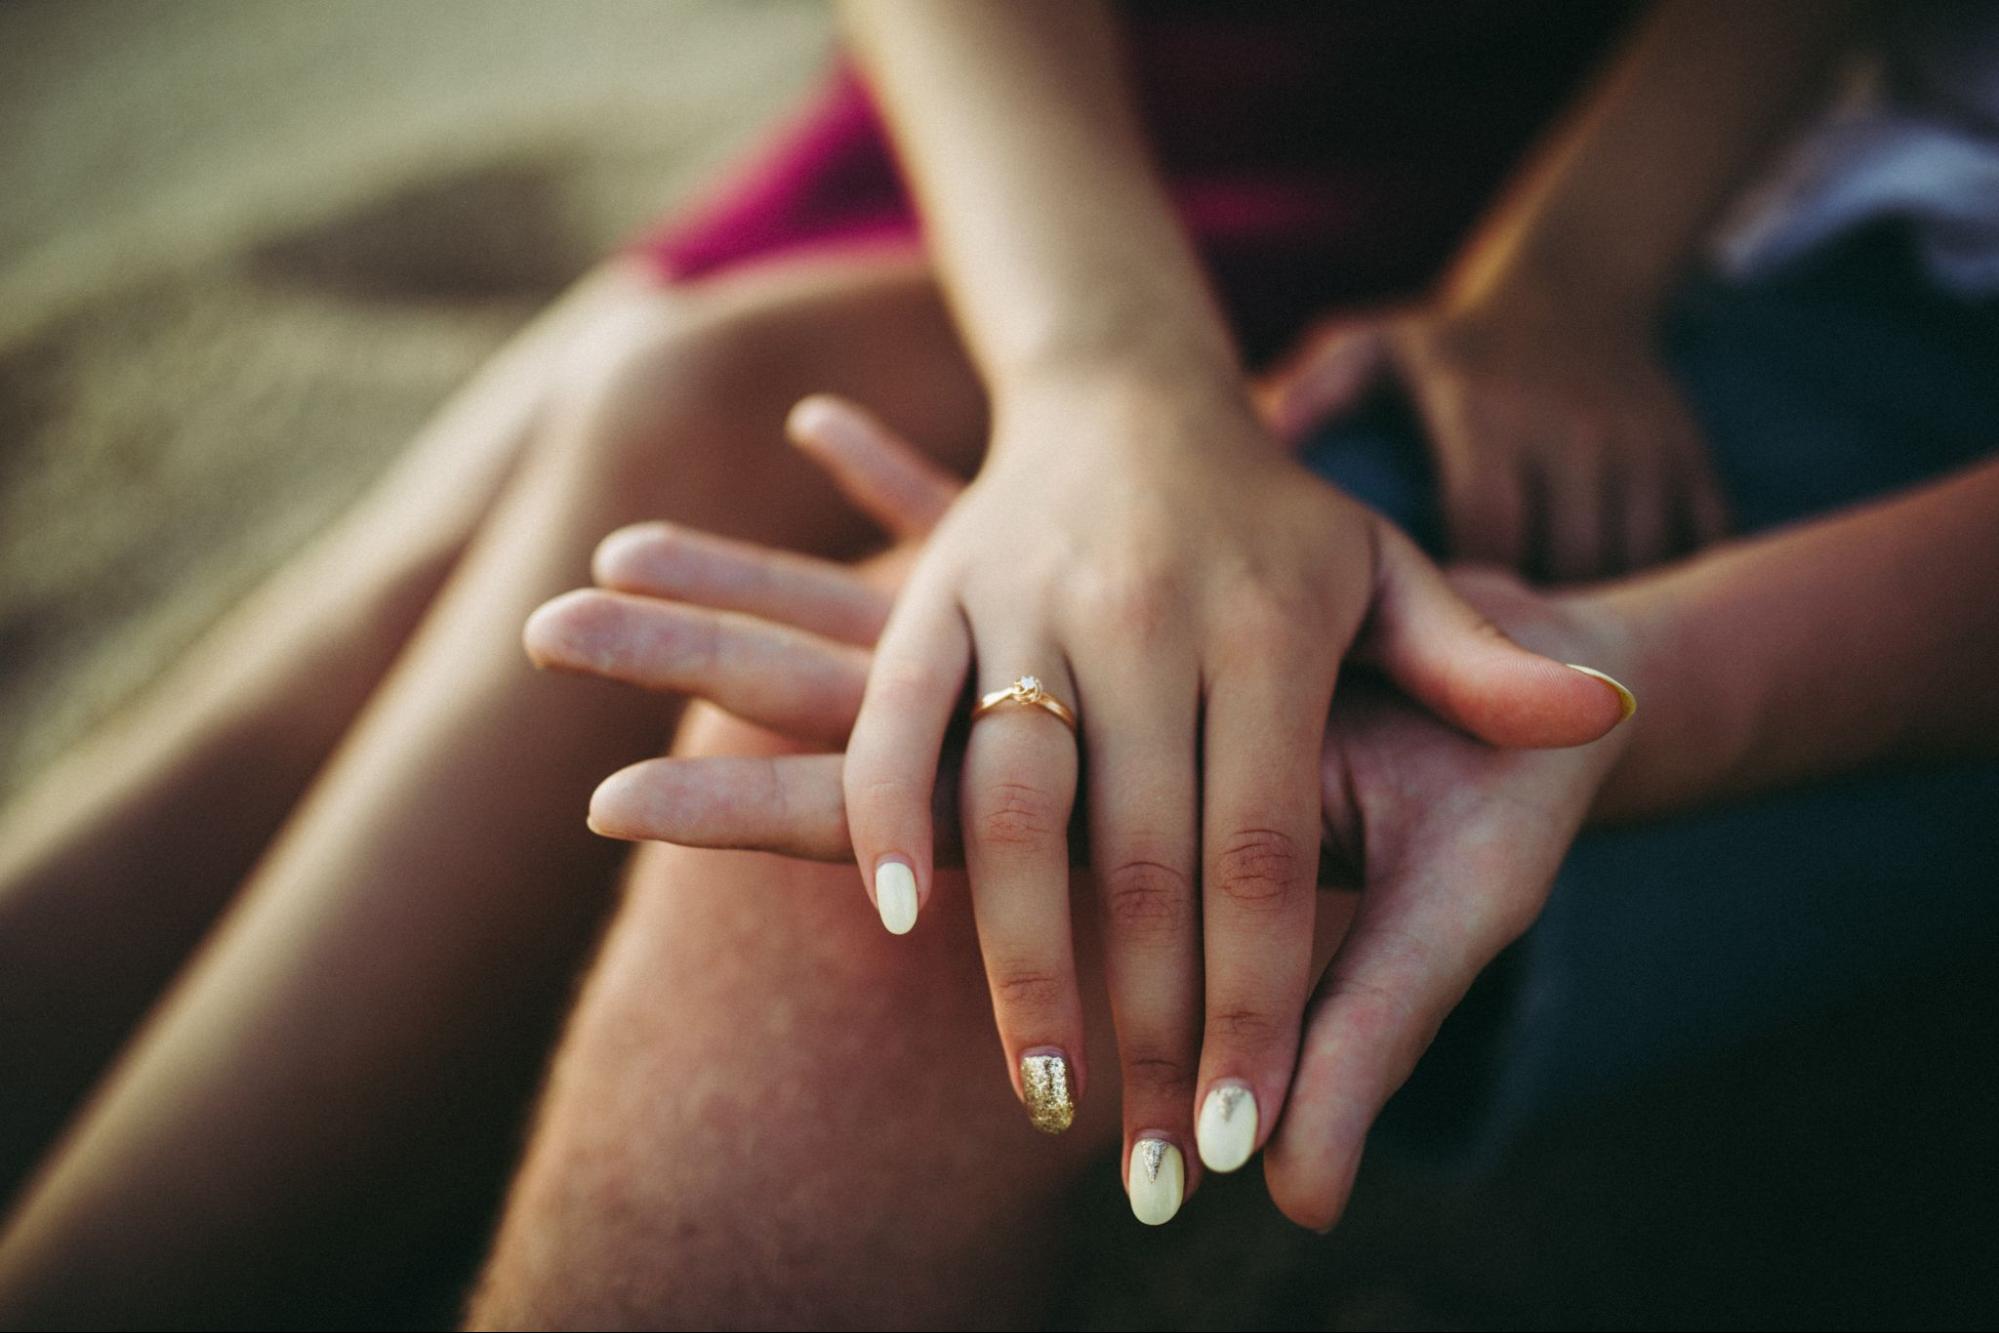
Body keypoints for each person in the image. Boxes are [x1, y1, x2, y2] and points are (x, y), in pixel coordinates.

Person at [1, 1, 1980, 1326]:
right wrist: (1109, 375)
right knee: (624, 435)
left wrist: (1563, 327)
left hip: (1502, 148)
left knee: (890, 778)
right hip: (1172, 112)